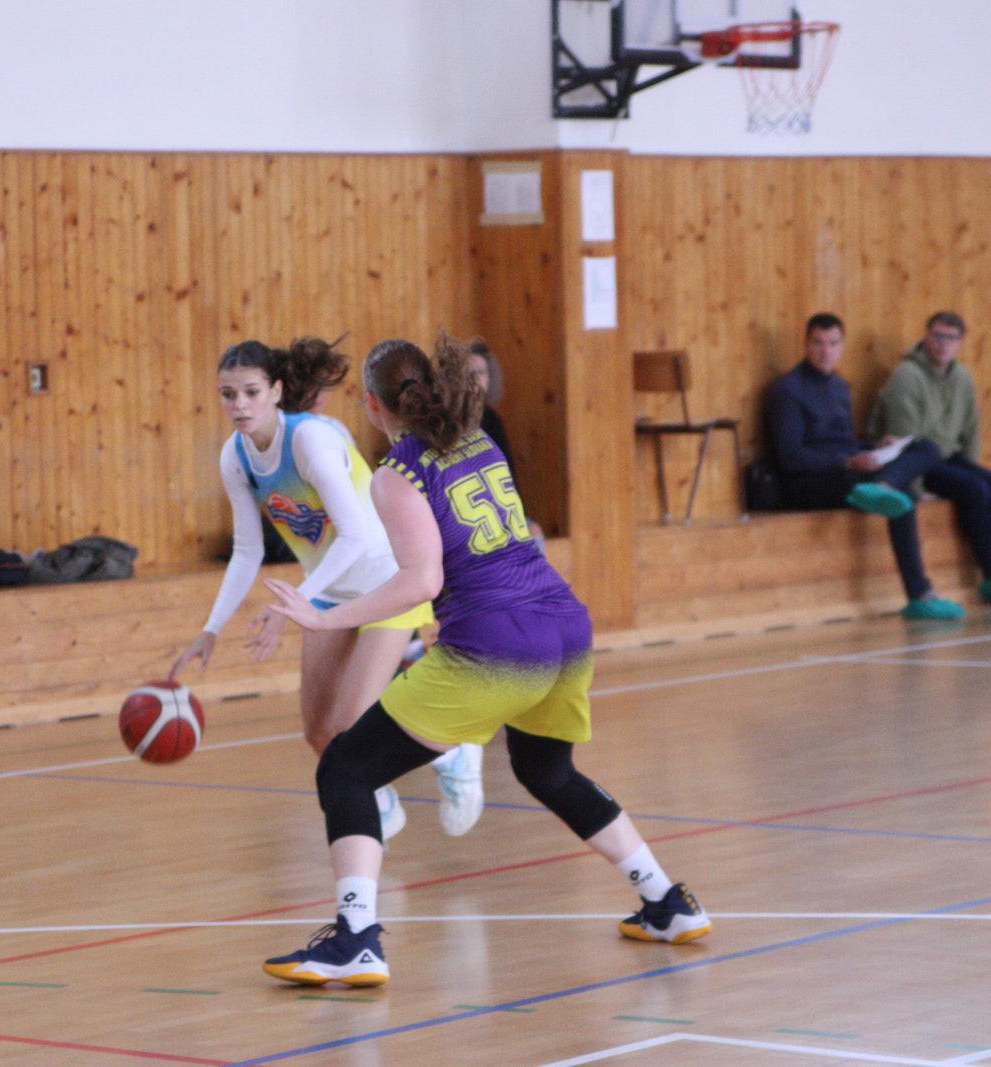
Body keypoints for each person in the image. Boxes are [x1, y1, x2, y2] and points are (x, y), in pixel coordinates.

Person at [258, 335, 710, 989]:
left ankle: (356, 940)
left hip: (496, 643)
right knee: (547, 770)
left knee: (346, 767)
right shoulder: (478, 441)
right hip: (564, 626)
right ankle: (667, 900)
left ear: (372, 405)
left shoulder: (397, 474)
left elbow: (421, 581)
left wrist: (325, 616)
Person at [170, 338, 484, 841]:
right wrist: (211, 629)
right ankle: (381, 804)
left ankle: (453, 753)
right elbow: (247, 550)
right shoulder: (236, 456)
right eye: (228, 395)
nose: (239, 405)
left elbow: (355, 535)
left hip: (387, 579)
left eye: (251, 392)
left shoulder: (309, 440)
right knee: (320, 732)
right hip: (330, 587)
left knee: (353, 723)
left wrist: (290, 604)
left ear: (276, 392)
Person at [765, 313, 965, 620]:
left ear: (842, 347)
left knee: (925, 447)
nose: (825, 351)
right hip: (812, 479)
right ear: (805, 345)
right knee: (902, 497)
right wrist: (846, 461)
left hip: (849, 466)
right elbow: (791, 457)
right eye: (818, 343)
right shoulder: (788, 390)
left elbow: (843, 441)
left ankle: (884, 483)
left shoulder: (839, 387)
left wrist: (874, 447)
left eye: (833, 343)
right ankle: (920, 592)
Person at [869, 312, 991, 605]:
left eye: (951, 338)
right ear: (926, 337)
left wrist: (972, 466)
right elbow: (904, 442)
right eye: (937, 336)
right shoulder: (906, 375)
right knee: (975, 489)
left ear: (960, 344)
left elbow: (971, 430)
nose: (943, 344)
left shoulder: (961, 376)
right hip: (919, 460)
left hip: (949, 455)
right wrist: (917, 489)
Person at [466, 341, 544, 551]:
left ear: (490, 377)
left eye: (480, 372)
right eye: (468, 373)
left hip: (500, 508)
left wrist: (518, 516)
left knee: (532, 530)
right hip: (470, 510)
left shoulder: (492, 420)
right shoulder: (449, 421)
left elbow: (507, 474)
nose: (475, 380)